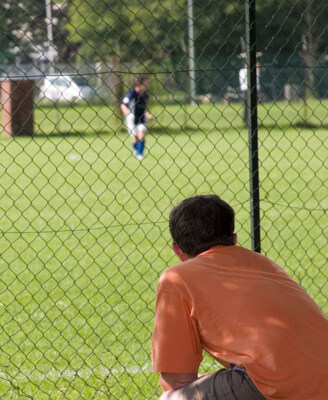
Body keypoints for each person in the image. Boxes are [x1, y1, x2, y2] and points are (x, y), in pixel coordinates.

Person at [152, 195, 328, 400]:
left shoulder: (175, 278)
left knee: (171, 398)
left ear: (177, 250)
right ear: (234, 239)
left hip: (276, 382)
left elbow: (177, 380)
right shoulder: (263, 263)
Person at [121, 74, 155, 161]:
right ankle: (135, 149)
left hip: (141, 118)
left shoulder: (145, 95)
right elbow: (123, 104)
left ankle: (140, 154)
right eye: (146, 83)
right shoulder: (132, 93)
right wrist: (126, 111)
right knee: (135, 138)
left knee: (141, 134)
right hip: (131, 118)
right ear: (140, 83)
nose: (147, 85)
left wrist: (148, 115)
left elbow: (144, 109)